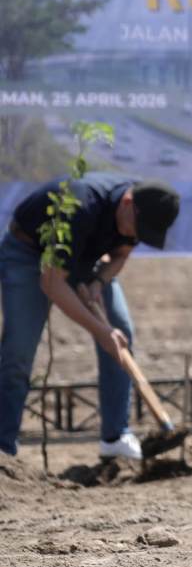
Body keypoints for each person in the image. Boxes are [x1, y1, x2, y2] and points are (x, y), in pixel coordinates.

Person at [0, 173, 180, 461]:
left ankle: (115, 436)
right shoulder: (81, 204)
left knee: (121, 329)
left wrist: (99, 280)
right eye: (137, 228)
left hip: (84, 260)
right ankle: (3, 447)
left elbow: (120, 253)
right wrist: (100, 331)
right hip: (29, 254)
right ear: (127, 202)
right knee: (19, 350)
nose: (135, 236)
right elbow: (52, 284)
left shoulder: (141, 210)